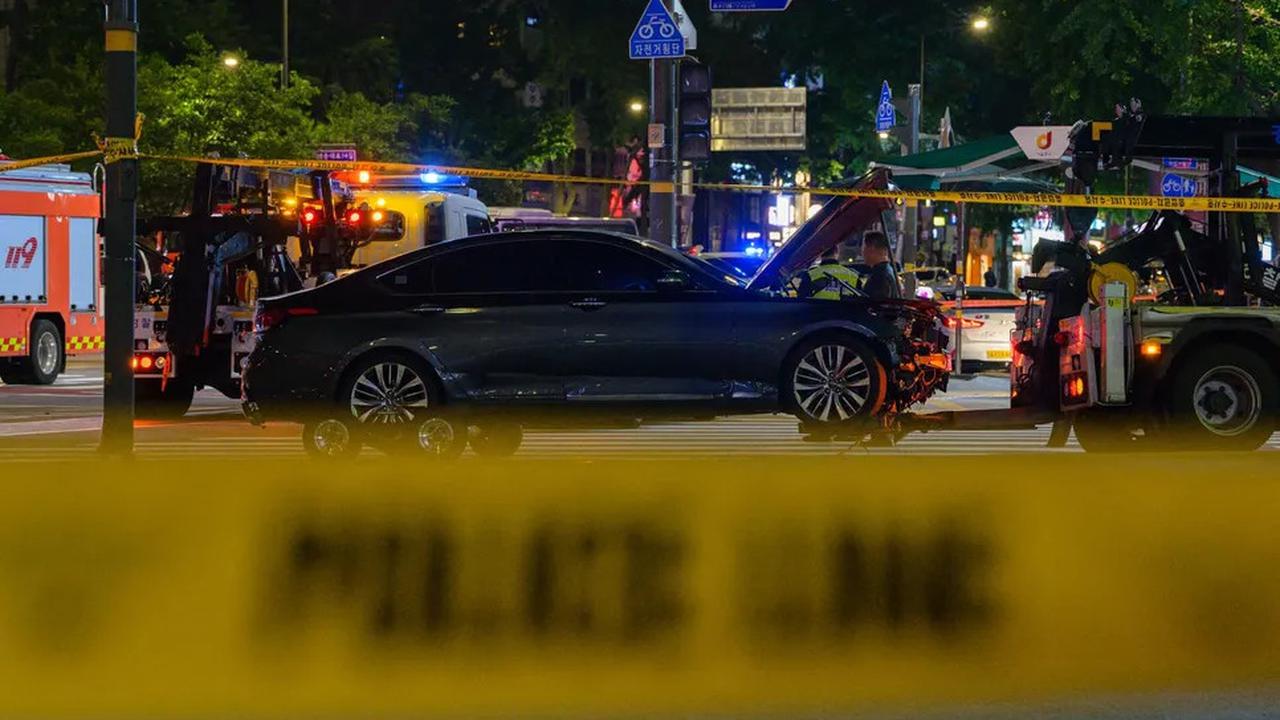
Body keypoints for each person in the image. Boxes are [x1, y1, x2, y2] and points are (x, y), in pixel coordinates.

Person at [797, 245, 862, 300]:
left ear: (820, 253)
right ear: (837, 252)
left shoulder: (811, 274)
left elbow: (801, 301)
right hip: (846, 314)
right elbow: (860, 301)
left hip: (818, 314)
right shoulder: (853, 275)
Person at [859, 231, 902, 299]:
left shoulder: (879, 277)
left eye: (864, 247)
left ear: (871, 249)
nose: (862, 252)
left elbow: (875, 305)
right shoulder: (888, 270)